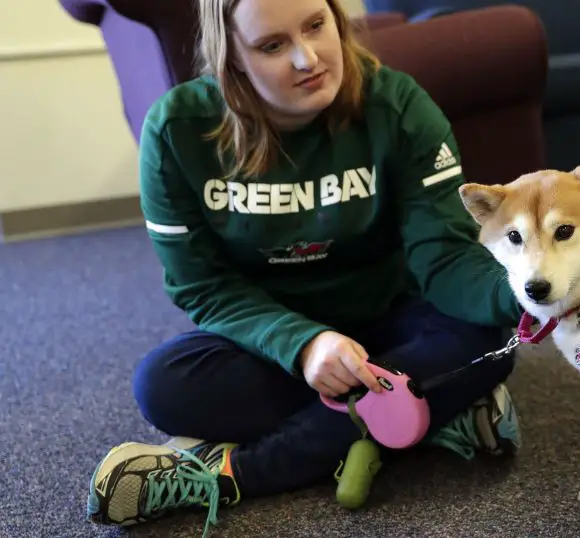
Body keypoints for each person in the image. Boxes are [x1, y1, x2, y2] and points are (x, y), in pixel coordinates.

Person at [85, 0, 525, 534]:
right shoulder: (175, 132)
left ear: (337, 18)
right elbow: (202, 287)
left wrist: (529, 294)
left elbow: (446, 257)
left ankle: (232, 473)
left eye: (316, 26)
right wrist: (305, 344)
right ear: (234, 58)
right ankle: (423, 416)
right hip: (271, 341)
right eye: (272, 45)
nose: (307, 58)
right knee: (163, 386)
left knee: (487, 336)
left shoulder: (401, 106)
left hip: (390, 316)